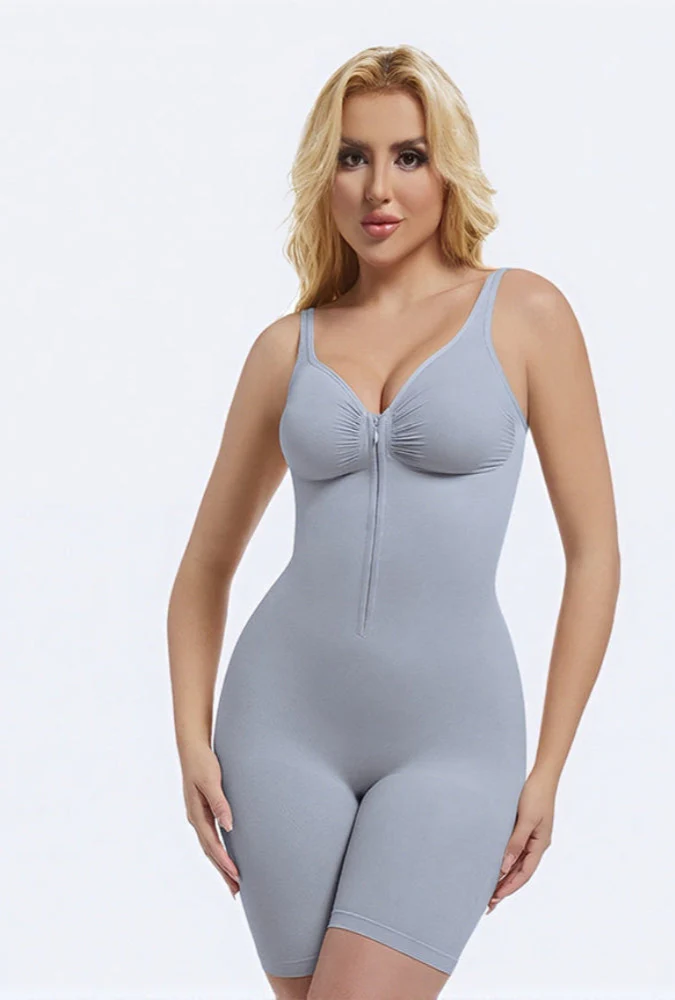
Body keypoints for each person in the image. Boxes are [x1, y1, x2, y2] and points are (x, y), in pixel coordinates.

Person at [167, 43, 620, 1000]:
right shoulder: (284, 349)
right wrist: (191, 740)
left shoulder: (525, 314)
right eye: (352, 157)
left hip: (454, 742)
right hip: (278, 730)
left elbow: (594, 554)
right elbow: (205, 565)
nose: (379, 188)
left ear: (447, 167)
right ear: (322, 175)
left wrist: (549, 769)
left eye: (408, 156)